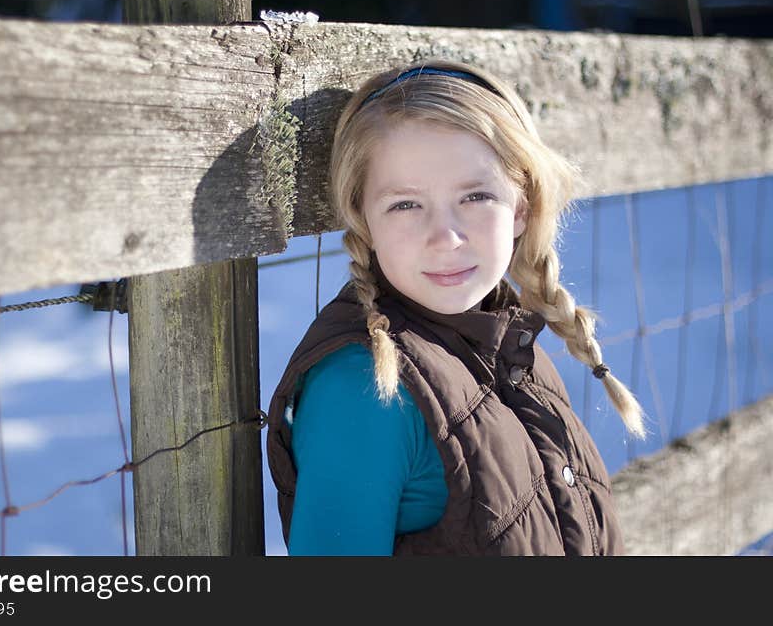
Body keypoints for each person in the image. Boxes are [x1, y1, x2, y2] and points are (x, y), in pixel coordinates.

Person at [265, 59, 648, 556]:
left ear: (521, 208)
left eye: (475, 196)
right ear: (364, 217)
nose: (444, 237)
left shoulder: (510, 349)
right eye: (405, 204)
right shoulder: (364, 389)